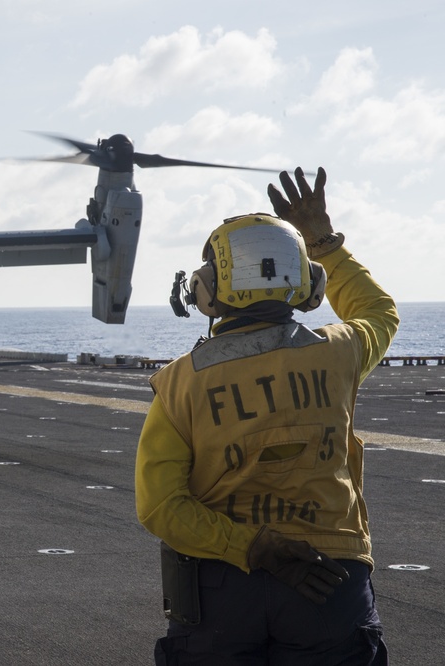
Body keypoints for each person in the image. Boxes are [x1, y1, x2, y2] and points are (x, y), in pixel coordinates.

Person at [135, 167, 398, 665]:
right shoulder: (339, 351)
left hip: (220, 589)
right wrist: (324, 241)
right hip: (329, 581)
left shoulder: (179, 383)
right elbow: (380, 312)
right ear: (308, 283)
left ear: (206, 290)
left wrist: (254, 547)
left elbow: (160, 508)